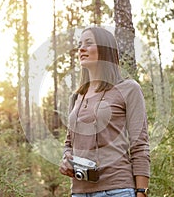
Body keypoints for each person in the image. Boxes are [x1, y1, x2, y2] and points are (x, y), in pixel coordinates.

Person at [59, 26, 150, 197]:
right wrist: (67, 159)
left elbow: (140, 144)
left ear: (105, 49)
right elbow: (69, 143)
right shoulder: (76, 97)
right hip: (79, 192)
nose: (81, 49)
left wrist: (141, 191)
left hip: (117, 190)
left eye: (88, 43)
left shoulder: (128, 89)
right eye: (80, 44)